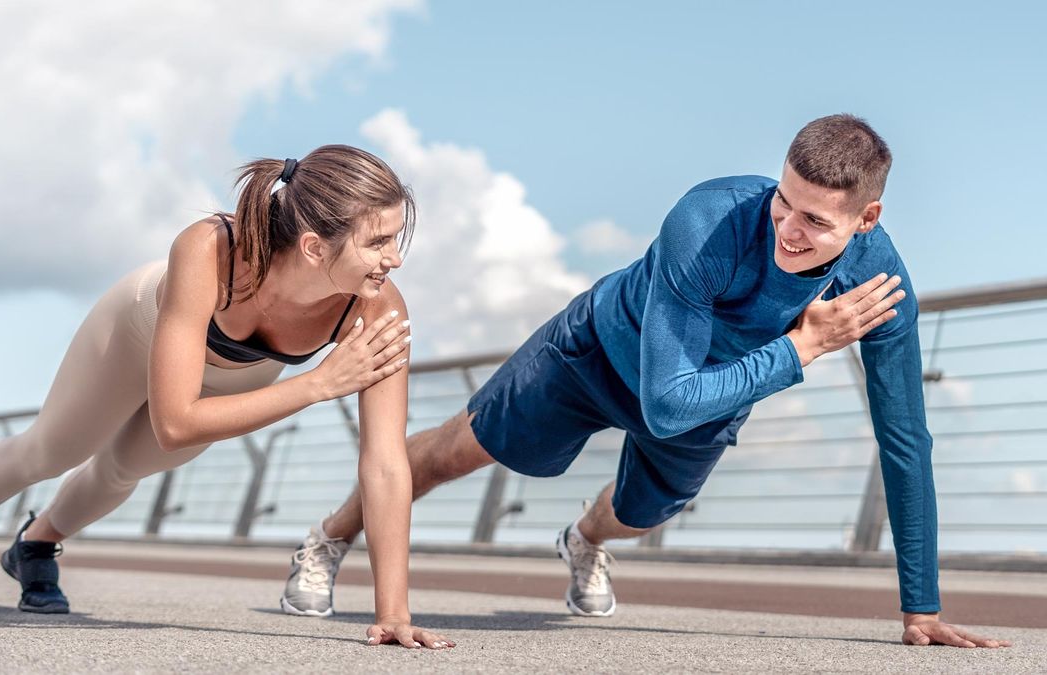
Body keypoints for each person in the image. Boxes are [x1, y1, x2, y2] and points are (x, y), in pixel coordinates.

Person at [281, 116, 1011, 649]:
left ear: (867, 219)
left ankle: (583, 540)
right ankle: (328, 539)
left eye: (815, 221)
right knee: (452, 452)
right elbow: (664, 400)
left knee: (639, 512)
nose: (787, 226)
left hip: (712, 394)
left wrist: (921, 607)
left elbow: (905, 439)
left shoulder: (880, 288)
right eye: (782, 202)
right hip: (597, 350)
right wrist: (802, 346)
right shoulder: (708, 220)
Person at [0, 145, 454, 650]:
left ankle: (35, 546)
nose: (395, 258)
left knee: (122, 469)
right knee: (52, 451)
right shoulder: (210, 248)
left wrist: (394, 614)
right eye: (378, 241)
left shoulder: (377, 308)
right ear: (313, 246)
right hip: (136, 330)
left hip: (237, 376)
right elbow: (176, 422)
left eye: (396, 238)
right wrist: (317, 385)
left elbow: (384, 463)